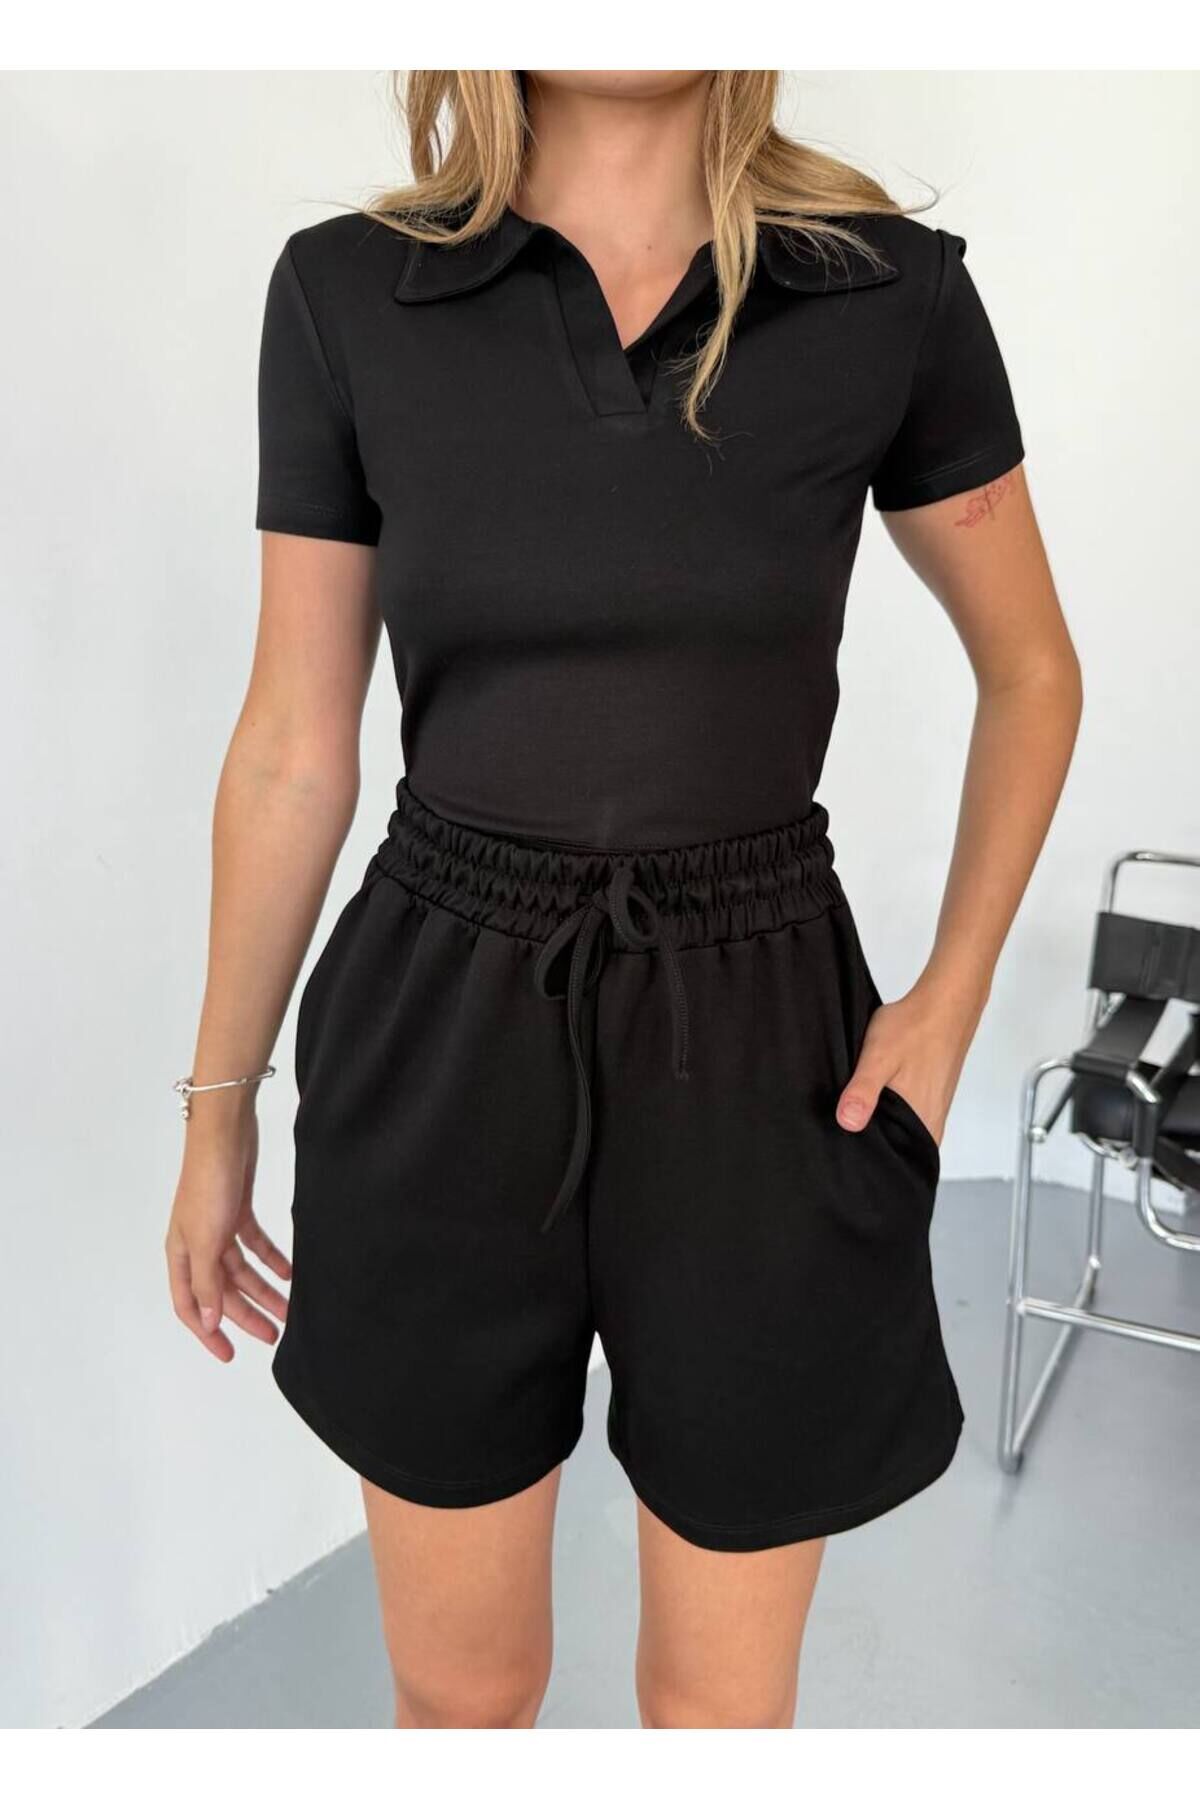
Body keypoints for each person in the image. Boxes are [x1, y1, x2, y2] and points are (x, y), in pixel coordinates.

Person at [165, 70, 1081, 1728]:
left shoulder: (886, 292)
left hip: (765, 1044)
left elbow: (1031, 672)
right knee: (462, 1695)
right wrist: (218, 1099)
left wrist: (948, 1005)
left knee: (720, 1713)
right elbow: (294, 744)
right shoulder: (350, 293)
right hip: (440, 1030)